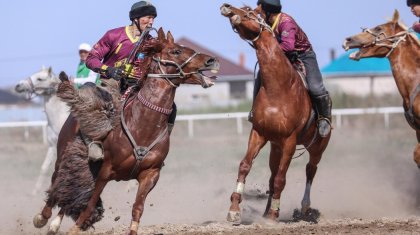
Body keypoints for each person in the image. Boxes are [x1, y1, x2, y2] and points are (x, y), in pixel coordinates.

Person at [85, 1, 177, 161]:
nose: (151, 22)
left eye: (153, 18)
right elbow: (91, 59)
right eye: (148, 17)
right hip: (110, 85)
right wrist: (109, 70)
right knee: (102, 107)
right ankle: (94, 142)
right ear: (135, 18)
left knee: (171, 108)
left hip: (136, 87)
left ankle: (160, 145)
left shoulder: (150, 42)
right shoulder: (113, 35)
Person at [253, 0, 332, 137]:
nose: (257, 10)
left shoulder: (286, 22)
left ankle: (324, 118)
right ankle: (254, 111)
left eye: (259, 7)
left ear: (268, 11)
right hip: (283, 56)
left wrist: (268, 51)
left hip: (304, 56)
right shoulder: (267, 22)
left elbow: (288, 46)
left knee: (315, 87)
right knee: (261, 75)